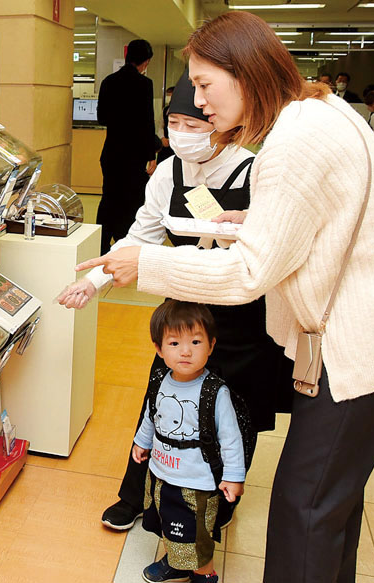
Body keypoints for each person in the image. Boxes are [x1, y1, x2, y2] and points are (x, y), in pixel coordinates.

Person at [75, 12, 374, 583]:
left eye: (207, 87)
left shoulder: (293, 141)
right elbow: (320, 218)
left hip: (355, 354)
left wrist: (148, 263)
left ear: (246, 73)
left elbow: (248, 274)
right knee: (329, 507)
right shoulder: (322, 110)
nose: (201, 104)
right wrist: (258, 220)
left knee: (302, 512)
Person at [58, 70, 291, 532]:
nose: (182, 135)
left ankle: (222, 498)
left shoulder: (255, 169)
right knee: (161, 402)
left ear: (224, 125)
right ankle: (136, 494)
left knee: (234, 412)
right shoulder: (168, 171)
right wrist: (95, 283)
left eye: (195, 124)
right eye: (175, 123)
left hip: (241, 316)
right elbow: (139, 236)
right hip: (183, 312)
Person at [134, 299, 246, 583]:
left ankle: (203, 575)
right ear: (159, 348)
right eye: (174, 344)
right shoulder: (159, 381)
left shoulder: (214, 392)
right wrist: (142, 442)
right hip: (161, 475)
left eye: (195, 342)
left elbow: (231, 439)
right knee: (170, 525)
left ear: (211, 345)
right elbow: (152, 414)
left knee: (197, 536)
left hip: (196, 483)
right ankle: (177, 562)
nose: (185, 351)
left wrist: (233, 477)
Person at [96, 39, 157, 254]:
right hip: (134, 155)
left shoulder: (108, 81)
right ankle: (124, 243)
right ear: (146, 61)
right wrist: (152, 154)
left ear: (126, 56)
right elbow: (147, 123)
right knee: (132, 200)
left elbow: (101, 118)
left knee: (110, 196)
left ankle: (102, 244)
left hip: (111, 153)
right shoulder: (144, 85)